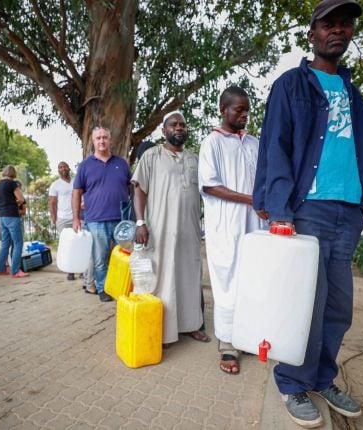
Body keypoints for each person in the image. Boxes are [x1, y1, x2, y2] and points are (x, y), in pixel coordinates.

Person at [252, 1, 363, 427]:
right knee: (304, 306)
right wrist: (281, 209)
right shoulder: (291, 85)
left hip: (347, 212)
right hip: (308, 211)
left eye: (345, 24)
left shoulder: (352, 92)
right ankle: (293, 383)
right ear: (311, 33)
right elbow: (275, 148)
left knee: (338, 307)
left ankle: (323, 378)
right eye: (328, 24)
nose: (338, 30)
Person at [198, 86, 263, 374]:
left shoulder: (254, 143)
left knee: (252, 279)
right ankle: (227, 344)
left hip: (255, 223)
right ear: (223, 109)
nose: (244, 115)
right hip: (226, 225)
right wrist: (251, 200)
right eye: (239, 110)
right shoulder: (211, 143)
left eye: (247, 110)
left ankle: (249, 336)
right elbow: (209, 185)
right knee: (227, 281)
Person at [132, 111, 210, 345]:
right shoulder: (151, 156)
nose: (179, 128)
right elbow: (139, 190)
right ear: (164, 131)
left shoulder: (195, 160)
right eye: (173, 125)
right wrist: (140, 222)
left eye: (182, 125)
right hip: (160, 229)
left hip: (189, 232)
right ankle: (159, 329)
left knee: (188, 276)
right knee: (161, 277)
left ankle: (191, 325)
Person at [72, 126, 132, 302]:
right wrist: (76, 218)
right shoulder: (85, 166)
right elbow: (76, 192)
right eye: (98, 138)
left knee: (121, 257)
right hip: (96, 220)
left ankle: (119, 287)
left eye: (105, 137)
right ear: (93, 141)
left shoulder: (121, 163)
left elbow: (131, 187)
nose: (102, 141)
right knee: (99, 259)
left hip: (121, 220)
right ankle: (103, 289)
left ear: (110, 139)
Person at [0, 165, 28, 278]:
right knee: (18, 243)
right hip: (12, 216)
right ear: (13, 173)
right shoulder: (12, 183)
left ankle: (1, 269)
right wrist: (16, 203)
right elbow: (21, 199)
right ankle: (15, 271)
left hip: (2, 217)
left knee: (5, 244)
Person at [49, 161, 76, 281]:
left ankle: (81, 268)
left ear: (69, 168)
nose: (63, 168)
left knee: (78, 244)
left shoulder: (76, 181)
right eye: (60, 167)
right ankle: (70, 271)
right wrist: (54, 218)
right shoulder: (55, 185)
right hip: (63, 218)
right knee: (67, 245)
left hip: (77, 217)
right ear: (58, 170)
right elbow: (52, 203)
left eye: (64, 166)